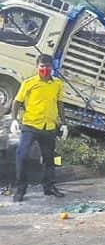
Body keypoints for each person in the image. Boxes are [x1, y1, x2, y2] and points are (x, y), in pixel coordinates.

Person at [10, 54, 68, 202]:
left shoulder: (58, 84)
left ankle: (49, 187)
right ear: (37, 67)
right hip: (30, 125)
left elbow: (60, 104)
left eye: (48, 66)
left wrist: (64, 123)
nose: (45, 69)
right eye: (42, 66)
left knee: (51, 158)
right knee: (21, 155)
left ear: (52, 68)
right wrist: (14, 120)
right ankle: (21, 189)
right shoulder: (29, 83)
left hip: (49, 127)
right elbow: (16, 102)